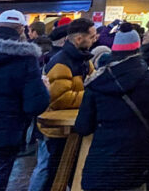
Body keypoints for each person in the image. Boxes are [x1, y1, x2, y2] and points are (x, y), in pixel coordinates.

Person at [73, 24, 149, 191]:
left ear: (114, 49)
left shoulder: (97, 81)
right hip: (136, 164)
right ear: (138, 49)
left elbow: (83, 127)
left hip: (101, 164)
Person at [0, 9, 49, 191]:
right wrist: (45, 89)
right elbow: (35, 104)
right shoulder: (25, 59)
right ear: (21, 30)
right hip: (4, 137)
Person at [30, 17, 96, 191]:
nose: (95, 39)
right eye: (92, 36)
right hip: (54, 129)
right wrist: (89, 95)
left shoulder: (83, 60)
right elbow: (60, 99)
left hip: (69, 127)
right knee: (47, 170)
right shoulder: (62, 62)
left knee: (61, 170)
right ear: (79, 39)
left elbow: (93, 81)